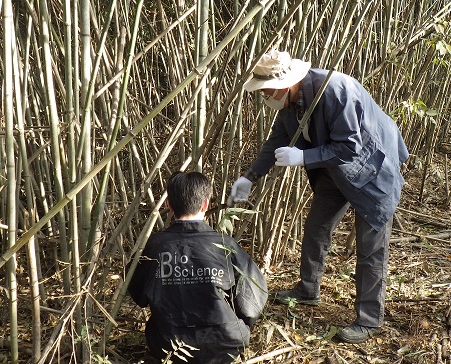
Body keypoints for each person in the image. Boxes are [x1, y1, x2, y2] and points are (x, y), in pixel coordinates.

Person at [227, 50, 409, 344]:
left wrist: (303, 157)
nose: (264, 98)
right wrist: (250, 177)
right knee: (316, 228)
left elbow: (351, 147)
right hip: (333, 171)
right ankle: (308, 289)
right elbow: (277, 140)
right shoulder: (288, 102)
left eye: (265, 92)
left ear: (285, 85)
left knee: (370, 246)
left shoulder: (336, 91)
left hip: (373, 167)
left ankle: (368, 319)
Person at [127, 171, 268, 363]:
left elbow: (138, 294)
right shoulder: (225, 245)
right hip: (225, 344)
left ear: (169, 205)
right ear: (205, 204)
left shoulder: (155, 246)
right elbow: (252, 301)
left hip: (167, 345)